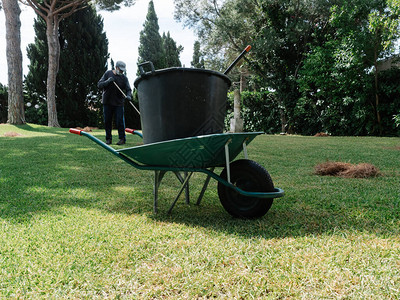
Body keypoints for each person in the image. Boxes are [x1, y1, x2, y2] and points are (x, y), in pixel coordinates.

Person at [98, 61, 132, 145]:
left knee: (120, 121)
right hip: (107, 102)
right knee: (107, 121)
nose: (121, 72)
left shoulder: (124, 78)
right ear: (116, 67)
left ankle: (122, 139)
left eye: (123, 71)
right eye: (120, 70)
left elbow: (128, 89)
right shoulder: (108, 73)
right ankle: (108, 139)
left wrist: (129, 96)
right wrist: (108, 81)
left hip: (119, 103)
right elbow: (99, 85)